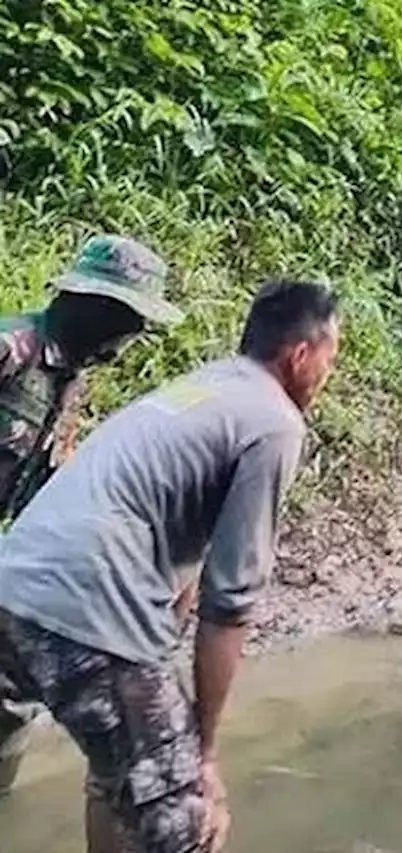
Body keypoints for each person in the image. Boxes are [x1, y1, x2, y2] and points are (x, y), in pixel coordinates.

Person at [0, 278, 340, 853]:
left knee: (120, 774)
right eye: (332, 357)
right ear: (300, 354)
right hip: (85, 608)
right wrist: (200, 754)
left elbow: (183, 570)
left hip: (13, 590)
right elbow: (229, 604)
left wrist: (159, 684)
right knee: (187, 814)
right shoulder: (275, 421)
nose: (330, 376)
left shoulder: (203, 389)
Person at [0, 233, 184, 798]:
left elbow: (44, 483)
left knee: (14, 696)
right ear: (100, 309)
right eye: (132, 325)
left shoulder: (70, 378)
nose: (133, 342)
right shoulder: (12, 349)